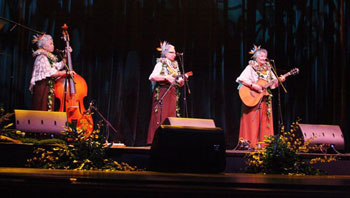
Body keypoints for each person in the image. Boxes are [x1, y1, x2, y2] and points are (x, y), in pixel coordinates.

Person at [236, 45, 285, 149]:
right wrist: (254, 86)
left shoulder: (268, 69)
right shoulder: (251, 67)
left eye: (265, 56)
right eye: (261, 56)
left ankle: (264, 145)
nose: (264, 58)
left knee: (265, 122)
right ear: (256, 57)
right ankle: (249, 144)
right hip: (252, 98)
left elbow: (272, 85)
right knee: (252, 122)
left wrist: (280, 81)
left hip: (265, 99)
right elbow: (242, 80)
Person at [147, 41, 186, 145]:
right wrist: (165, 77)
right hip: (163, 93)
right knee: (161, 115)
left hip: (173, 94)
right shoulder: (161, 63)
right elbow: (151, 77)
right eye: (172, 52)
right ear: (165, 53)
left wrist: (181, 81)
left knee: (171, 117)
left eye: (175, 52)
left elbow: (177, 82)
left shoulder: (175, 65)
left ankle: (170, 141)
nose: (174, 54)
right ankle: (156, 141)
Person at [29, 34, 73, 111]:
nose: (53, 46)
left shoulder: (48, 57)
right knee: (42, 109)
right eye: (51, 44)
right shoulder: (41, 57)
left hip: (48, 87)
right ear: (44, 46)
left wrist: (66, 55)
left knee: (47, 108)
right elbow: (50, 73)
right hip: (42, 87)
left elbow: (58, 65)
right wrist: (64, 73)